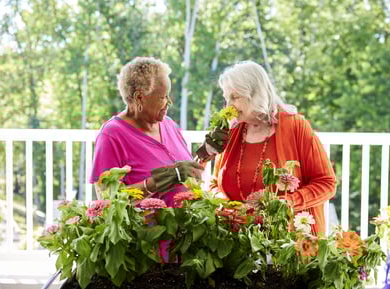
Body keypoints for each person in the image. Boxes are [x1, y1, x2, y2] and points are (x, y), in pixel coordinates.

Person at [197, 60, 336, 235]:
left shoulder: (296, 126)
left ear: (255, 94)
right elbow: (214, 183)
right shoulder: (230, 131)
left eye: (234, 97)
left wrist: (287, 203)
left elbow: (327, 183)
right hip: (239, 242)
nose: (228, 106)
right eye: (226, 98)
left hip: (292, 243)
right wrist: (226, 207)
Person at [90, 57, 204, 207]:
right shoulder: (112, 135)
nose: (169, 102)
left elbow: (187, 174)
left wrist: (207, 153)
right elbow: (106, 200)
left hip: (188, 227)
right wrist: (154, 182)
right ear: (139, 97)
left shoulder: (169, 124)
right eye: (163, 97)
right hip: (147, 229)